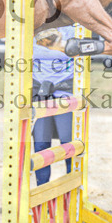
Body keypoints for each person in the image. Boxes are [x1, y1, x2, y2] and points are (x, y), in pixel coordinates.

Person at [32, 27, 75, 185]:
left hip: (65, 94)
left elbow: (71, 54)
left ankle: (72, 191)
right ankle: (41, 190)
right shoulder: (35, 25)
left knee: (68, 143)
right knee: (41, 145)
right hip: (40, 93)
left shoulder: (72, 29)